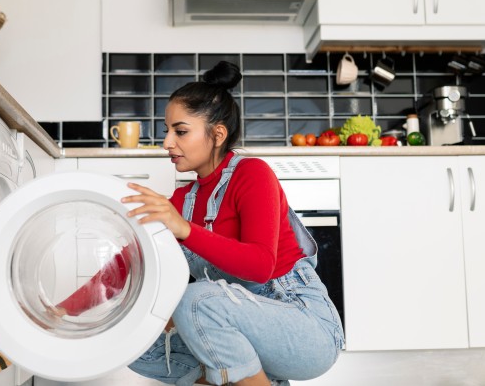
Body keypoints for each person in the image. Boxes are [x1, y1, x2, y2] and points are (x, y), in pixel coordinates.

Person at [120, 61, 344, 386]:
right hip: (239, 327)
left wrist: (183, 229)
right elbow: (126, 263)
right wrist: (57, 314)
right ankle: (254, 378)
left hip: (306, 327)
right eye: (167, 130)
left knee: (194, 301)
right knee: (134, 342)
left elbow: (260, 266)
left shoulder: (252, 174)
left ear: (217, 134)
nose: (167, 142)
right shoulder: (181, 201)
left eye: (180, 131)